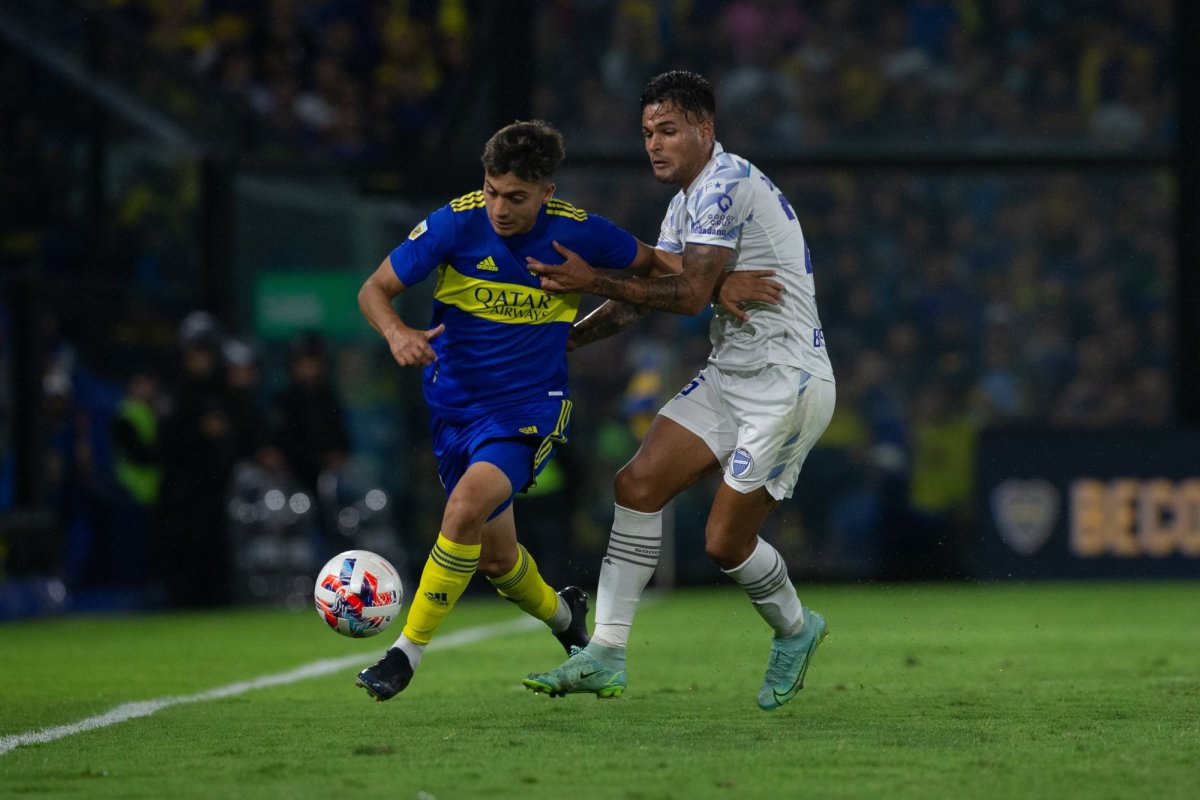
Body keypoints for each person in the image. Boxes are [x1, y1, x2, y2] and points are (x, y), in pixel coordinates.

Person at [352, 120, 772, 702]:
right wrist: (397, 332)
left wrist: (717, 282)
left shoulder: (580, 232)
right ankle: (567, 621)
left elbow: (660, 266)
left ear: (547, 193)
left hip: (528, 410)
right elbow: (373, 290)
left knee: (464, 508)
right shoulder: (455, 221)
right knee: (498, 561)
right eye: (492, 190)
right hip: (454, 412)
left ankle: (405, 653)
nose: (499, 207)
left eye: (516, 197)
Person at [521, 70, 837, 710]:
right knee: (636, 484)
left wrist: (594, 278)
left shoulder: (724, 185)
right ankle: (605, 653)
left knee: (723, 543)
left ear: (704, 129)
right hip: (733, 373)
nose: (654, 145)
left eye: (667, 130)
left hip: (787, 382)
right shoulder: (686, 201)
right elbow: (648, 301)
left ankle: (797, 629)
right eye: (646, 134)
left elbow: (687, 296)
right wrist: (567, 341)